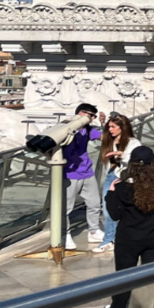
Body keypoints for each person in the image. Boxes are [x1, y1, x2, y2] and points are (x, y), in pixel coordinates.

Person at [103, 146, 154, 308]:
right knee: (152, 280)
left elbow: (114, 214)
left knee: (124, 277)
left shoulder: (122, 188)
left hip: (129, 240)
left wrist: (111, 192)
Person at [93, 113, 140, 254]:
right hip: (111, 176)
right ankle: (109, 240)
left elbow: (137, 159)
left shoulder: (133, 143)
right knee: (108, 210)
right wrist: (101, 123)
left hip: (127, 178)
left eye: (113, 127)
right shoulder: (109, 141)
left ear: (122, 127)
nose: (111, 130)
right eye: (109, 127)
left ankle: (127, 237)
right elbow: (99, 135)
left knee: (129, 210)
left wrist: (122, 155)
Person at [62, 103, 104, 250]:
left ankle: (93, 230)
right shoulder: (64, 128)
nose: (92, 119)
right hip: (69, 173)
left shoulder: (87, 129)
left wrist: (105, 125)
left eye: (94, 116)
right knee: (66, 207)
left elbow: (103, 138)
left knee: (94, 203)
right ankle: (64, 234)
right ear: (81, 113)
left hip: (87, 171)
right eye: (91, 116)